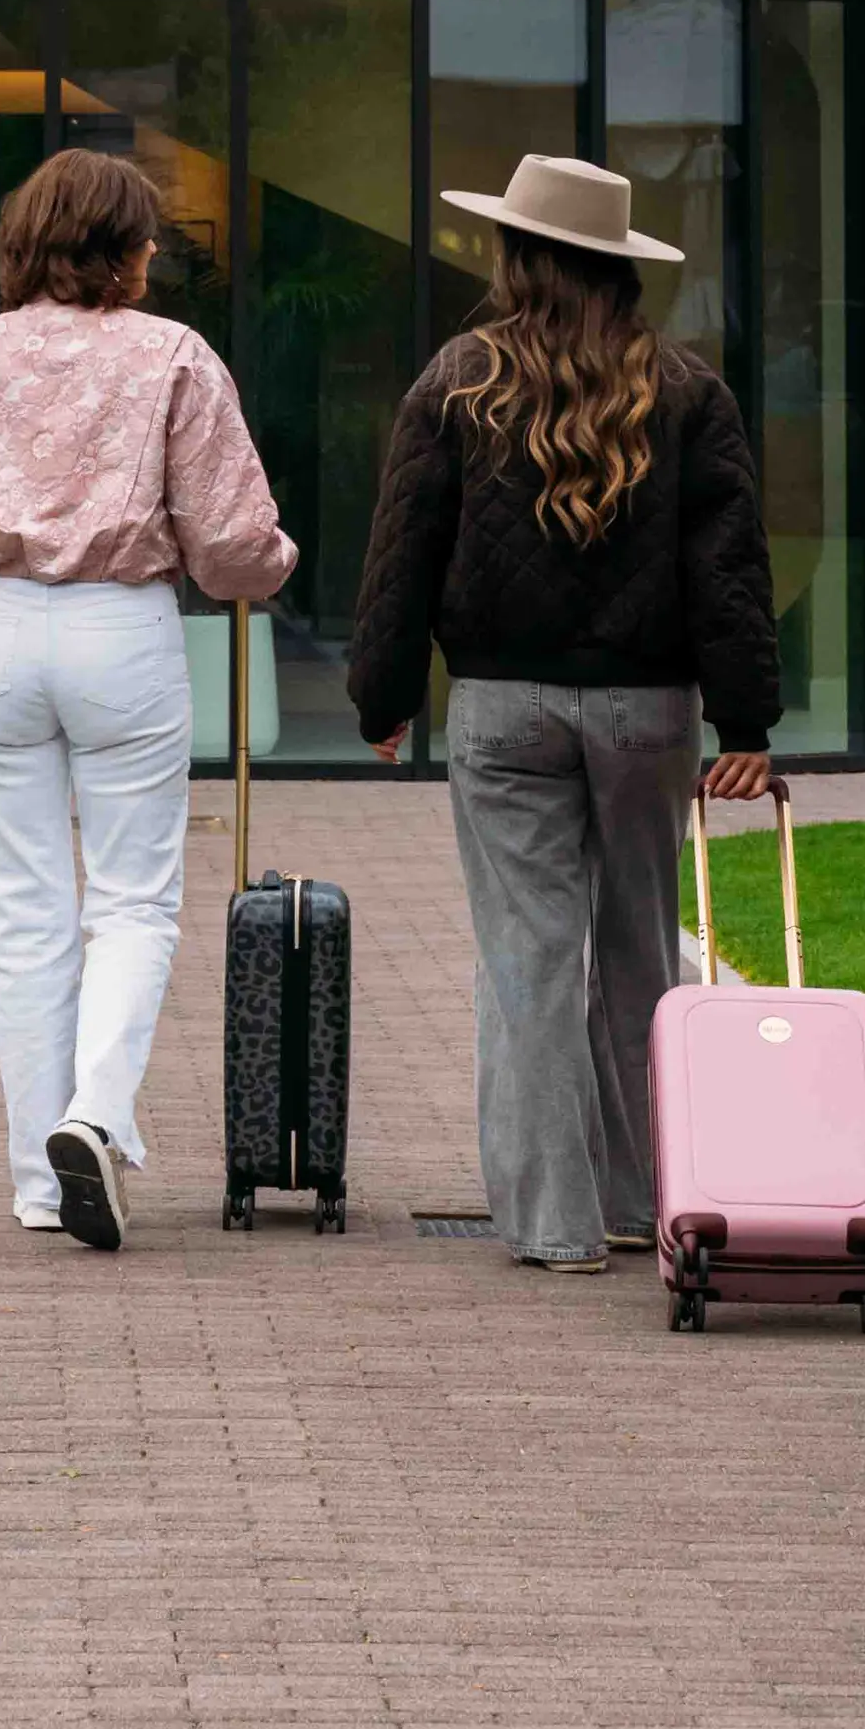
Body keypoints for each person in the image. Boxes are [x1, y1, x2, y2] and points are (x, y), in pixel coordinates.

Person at [344, 148, 779, 1273]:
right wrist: (745, 725)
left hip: (501, 711)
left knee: (528, 962)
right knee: (641, 953)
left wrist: (383, 697)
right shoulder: (686, 390)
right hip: (649, 714)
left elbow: (403, 550)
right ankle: (644, 1201)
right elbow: (728, 569)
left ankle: (553, 1227)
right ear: (621, 268)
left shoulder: (457, 381)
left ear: (517, 257)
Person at [0, 144, 296, 1249]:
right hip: (120, 631)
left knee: (23, 911)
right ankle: (95, 1117)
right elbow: (232, 544)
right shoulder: (174, 357)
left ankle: (37, 1176)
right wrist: (275, 562)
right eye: (145, 233)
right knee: (132, 901)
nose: (154, 248)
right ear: (120, 250)